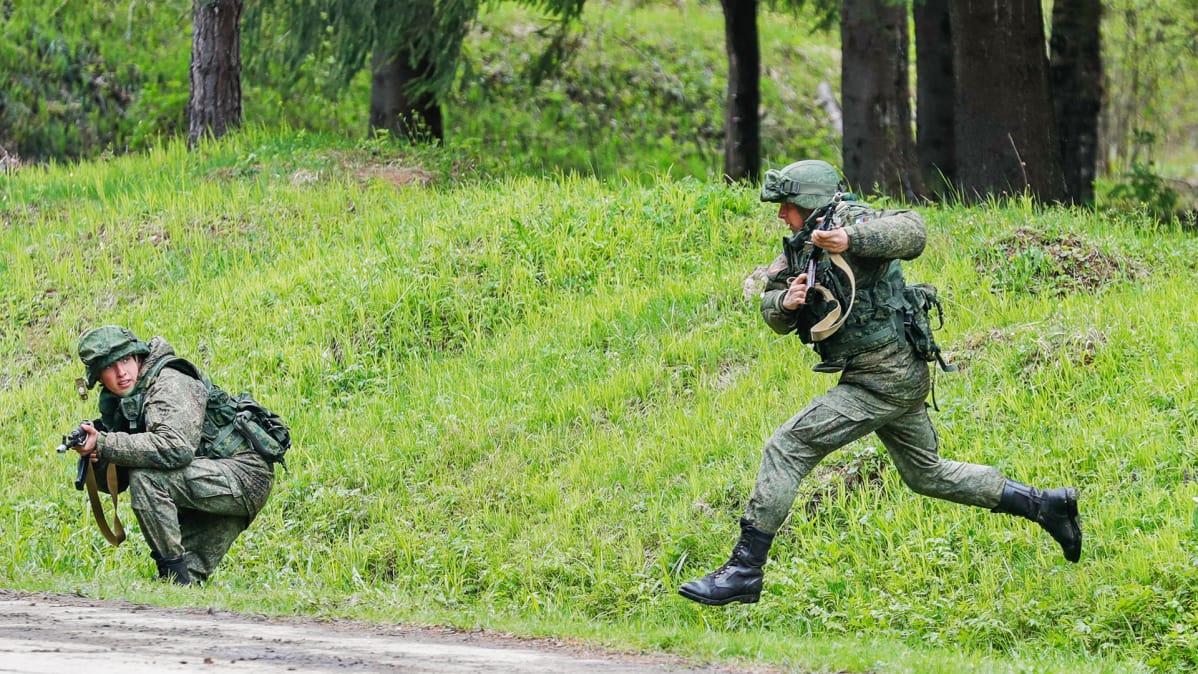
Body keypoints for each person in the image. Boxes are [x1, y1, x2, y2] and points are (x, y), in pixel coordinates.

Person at [678, 160, 1082, 606]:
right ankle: (1046, 505)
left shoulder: (851, 220)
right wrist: (785, 302)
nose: (781, 215)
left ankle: (744, 570)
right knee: (926, 473)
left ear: (809, 202)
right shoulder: (800, 245)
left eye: (787, 206)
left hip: (882, 379)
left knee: (786, 447)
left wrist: (851, 240)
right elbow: (771, 306)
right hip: (894, 376)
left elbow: (913, 231)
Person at [73, 325, 276, 585]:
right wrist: (98, 456)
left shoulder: (170, 380)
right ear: (98, 377)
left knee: (147, 478)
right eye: (110, 367)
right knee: (181, 582)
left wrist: (106, 443)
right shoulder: (124, 399)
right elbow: (118, 482)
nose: (121, 372)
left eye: (125, 360)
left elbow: (175, 448)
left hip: (244, 476)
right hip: (211, 476)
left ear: (137, 356)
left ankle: (173, 577)